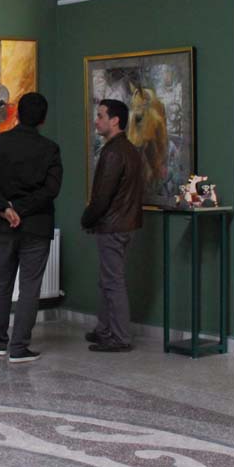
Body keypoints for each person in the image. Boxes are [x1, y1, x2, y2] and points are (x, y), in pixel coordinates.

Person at [0, 92, 62, 364]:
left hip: (4, 225)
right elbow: (51, 190)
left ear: (15, 114)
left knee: (2, 284)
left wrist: (6, 209)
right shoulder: (50, 149)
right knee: (29, 288)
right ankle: (19, 347)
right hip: (36, 225)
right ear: (43, 119)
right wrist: (20, 209)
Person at [81, 99, 146, 353]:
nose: (96, 121)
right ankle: (105, 329)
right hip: (125, 225)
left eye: (100, 116)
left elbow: (102, 196)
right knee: (108, 280)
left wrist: (87, 218)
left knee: (113, 282)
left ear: (115, 120)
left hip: (113, 226)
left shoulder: (113, 152)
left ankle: (119, 337)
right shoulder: (129, 149)